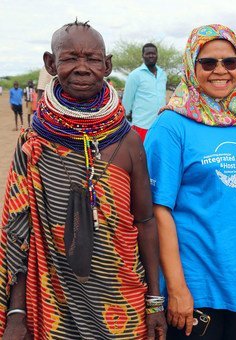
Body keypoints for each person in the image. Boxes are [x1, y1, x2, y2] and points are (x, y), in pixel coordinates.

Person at [0, 21, 166, 339]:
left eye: (92, 58)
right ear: (51, 63)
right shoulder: (33, 141)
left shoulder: (128, 141)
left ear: (107, 65)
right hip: (53, 304)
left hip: (123, 301)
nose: (82, 68)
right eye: (70, 58)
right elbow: (18, 232)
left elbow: (145, 221)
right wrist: (16, 313)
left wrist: (155, 302)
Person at [144, 24, 236, 339]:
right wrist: (177, 287)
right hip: (196, 286)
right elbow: (159, 210)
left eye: (230, 62)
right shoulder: (171, 126)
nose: (220, 71)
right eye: (208, 62)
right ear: (190, 65)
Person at [122, 43, 168, 141]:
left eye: (153, 53)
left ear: (157, 55)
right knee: (141, 155)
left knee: (156, 154)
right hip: (141, 125)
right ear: (143, 56)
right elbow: (127, 101)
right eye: (148, 53)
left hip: (160, 124)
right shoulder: (135, 75)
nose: (151, 56)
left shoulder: (162, 74)